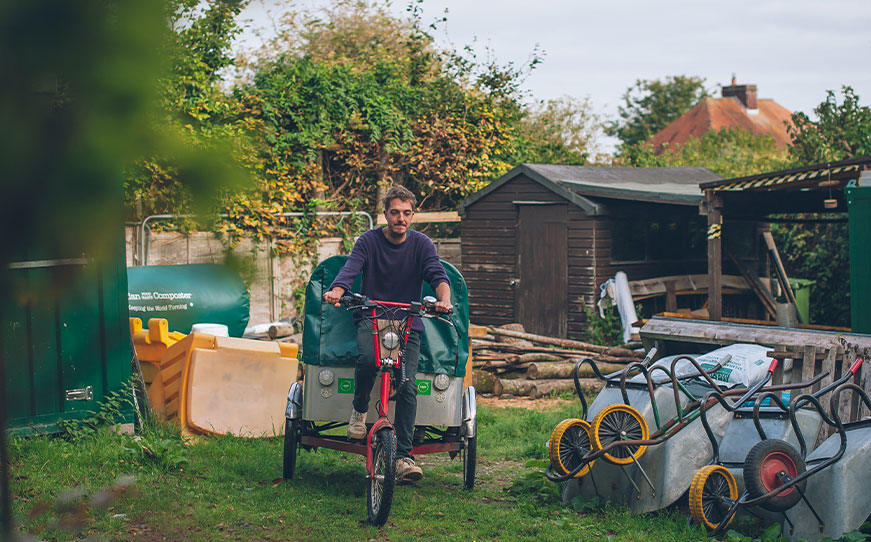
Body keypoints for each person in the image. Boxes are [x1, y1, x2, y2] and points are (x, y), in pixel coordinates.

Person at [323, 185, 453, 482]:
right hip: (372, 316)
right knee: (368, 359)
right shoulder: (368, 241)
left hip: (408, 322)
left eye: (407, 213)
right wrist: (337, 291)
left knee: (407, 385)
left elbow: (437, 275)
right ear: (385, 214)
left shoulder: (422, 245)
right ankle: (358, 411)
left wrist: (444, 300)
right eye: (395, 212)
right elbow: (350, 269)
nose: (401, 219)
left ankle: (404, 457)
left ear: (413, 215)